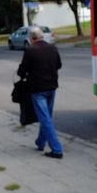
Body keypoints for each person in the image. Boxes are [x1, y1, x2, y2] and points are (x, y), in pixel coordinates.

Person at [17, 26, 64, 158]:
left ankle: (57, 149)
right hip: (52, 87)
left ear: (32, 38)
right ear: (42, 36)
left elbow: (22, 71)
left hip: (37, 89)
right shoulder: (52, 48)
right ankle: (40, 142)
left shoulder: (30, 50)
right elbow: (59, 65)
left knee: (45, 119)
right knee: (46, 117)